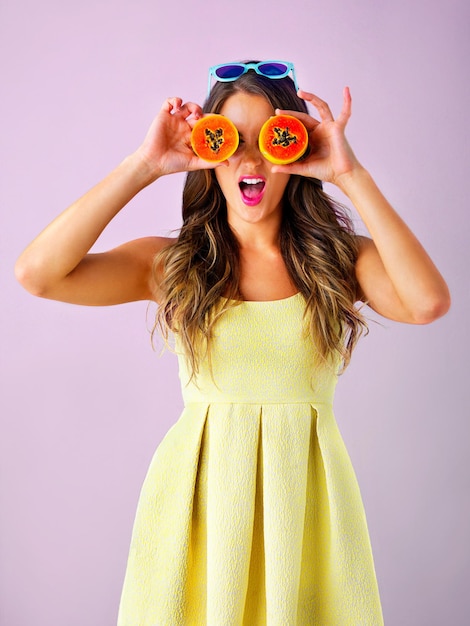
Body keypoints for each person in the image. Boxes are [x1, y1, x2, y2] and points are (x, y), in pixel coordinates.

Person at [15, 60, 450, 625]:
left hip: (306, 510)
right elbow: (37, 274)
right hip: (199, 509)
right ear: (208, 154)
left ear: (297, 149)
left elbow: (427, 302)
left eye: (273, 139)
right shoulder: (173, 265)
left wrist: (349, 173)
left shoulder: (337, 262)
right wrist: (145, 165)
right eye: (229, 142)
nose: (249, 159)